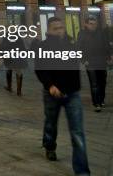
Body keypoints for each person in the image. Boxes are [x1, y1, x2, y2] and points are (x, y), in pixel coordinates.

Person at [35, 17, 90, 175]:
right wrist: (50, 86)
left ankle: (82, 172)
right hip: (52, 93)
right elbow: (40, 69)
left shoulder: (71, 45)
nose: (59, 31)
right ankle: (49, 145)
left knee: (77, 132)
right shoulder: (43, 47)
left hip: (72, 93)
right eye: (56, 28)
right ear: (49, 30)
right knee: (51, 124)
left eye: (61, 28)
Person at [77, 16, 110, 112]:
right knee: (94, 83)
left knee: (102, 82)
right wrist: (83, 60)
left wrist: (108, 57)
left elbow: (106, 46)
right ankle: (96, 103)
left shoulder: (101, 33)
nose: (93, 26)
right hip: (90, 62)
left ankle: (101, 99)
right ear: (86, 24)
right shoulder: (82, 34)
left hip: (101, 61)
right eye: (90, 24)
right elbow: (79, 48)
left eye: (94, 24)